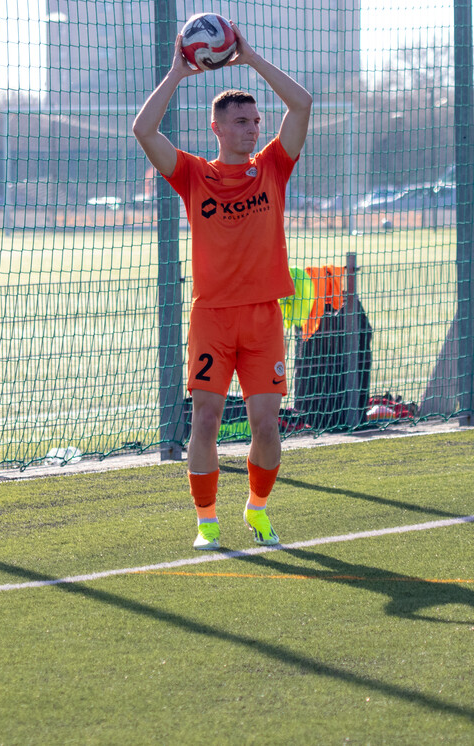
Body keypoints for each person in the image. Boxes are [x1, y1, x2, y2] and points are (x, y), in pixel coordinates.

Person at [132, 22, 312, 550]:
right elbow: (143, 130)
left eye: (256, 121)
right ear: (216, 128)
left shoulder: (273, 168)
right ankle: (206, 521)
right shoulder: (193, 175)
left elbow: (301, 106)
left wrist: (250, 57)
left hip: (262, 316)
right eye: (240, 122)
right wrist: (176, 73)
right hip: (211, 316)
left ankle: (256, 510)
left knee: (266, 427)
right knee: (206, 419)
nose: (252, 129)